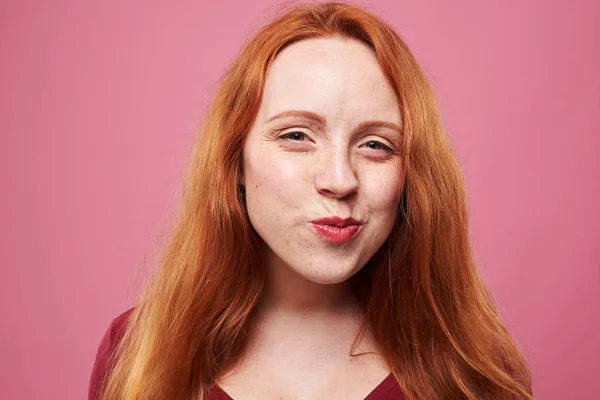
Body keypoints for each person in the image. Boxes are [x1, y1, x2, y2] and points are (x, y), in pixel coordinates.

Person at [89, 2, 534, 399]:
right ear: (235, 162)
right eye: (297, 136)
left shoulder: (475, 372)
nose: (340, 180)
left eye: (376, 145)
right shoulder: (136, 352)